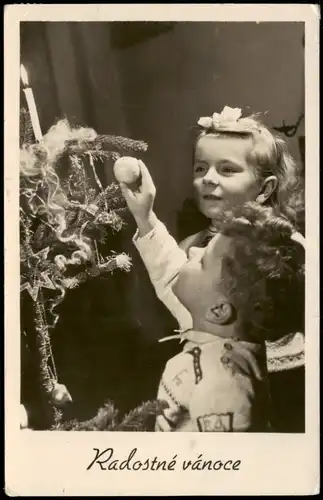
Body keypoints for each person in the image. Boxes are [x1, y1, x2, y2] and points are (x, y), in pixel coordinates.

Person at [119, 158, 304, 431]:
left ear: (218, 311)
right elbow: (176, 277)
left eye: (202, 259)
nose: (192, 251)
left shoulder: (223, 386)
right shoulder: (221, 325)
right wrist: (145, 217)